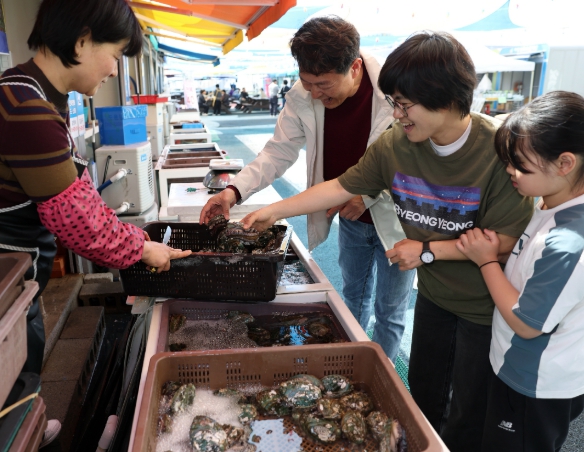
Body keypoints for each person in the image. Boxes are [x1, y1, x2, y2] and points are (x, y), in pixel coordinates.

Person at [238, 31, 534, 452]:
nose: (396, 114)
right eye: (393, 102)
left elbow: (504, 242)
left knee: (470, 411)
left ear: (446, 98)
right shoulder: (396, 144)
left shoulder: (499, 150)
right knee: (424, 397)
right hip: (434, 297)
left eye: (403, 105)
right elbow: (340, 186)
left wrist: (427, 251)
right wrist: (273, 211)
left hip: (485, 308)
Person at [0, 0, 191, 445]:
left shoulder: (36, 94)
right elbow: (78, 221)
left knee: (20, 355)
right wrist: (142, 248)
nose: (113, 70)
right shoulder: (25, 109)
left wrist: (132, 237)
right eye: (115, 54)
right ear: (82, 41)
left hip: (7, 268)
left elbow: (78, 195)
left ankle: (26, 418)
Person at [199, 16, 415, 365]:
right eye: (307, 82)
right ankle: (350, 363)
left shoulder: (395, 93)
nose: (315, 93)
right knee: (353, 296)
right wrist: (233, 191)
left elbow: (413, 159)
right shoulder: (304, 96)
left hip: (398, 220)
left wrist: (368, 195)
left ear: (355, 67)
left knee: (390, 309)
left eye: (323, 84)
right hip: (348, 216)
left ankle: (383, 371)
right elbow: (277, 151)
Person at [455, 91, 584, 452]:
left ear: (565, 163)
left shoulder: (568, 243)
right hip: (522, 368)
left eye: (521, 166)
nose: (510, 171)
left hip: (534, 381)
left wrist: (486, 260)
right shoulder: (553, 202)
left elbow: (528, 324)